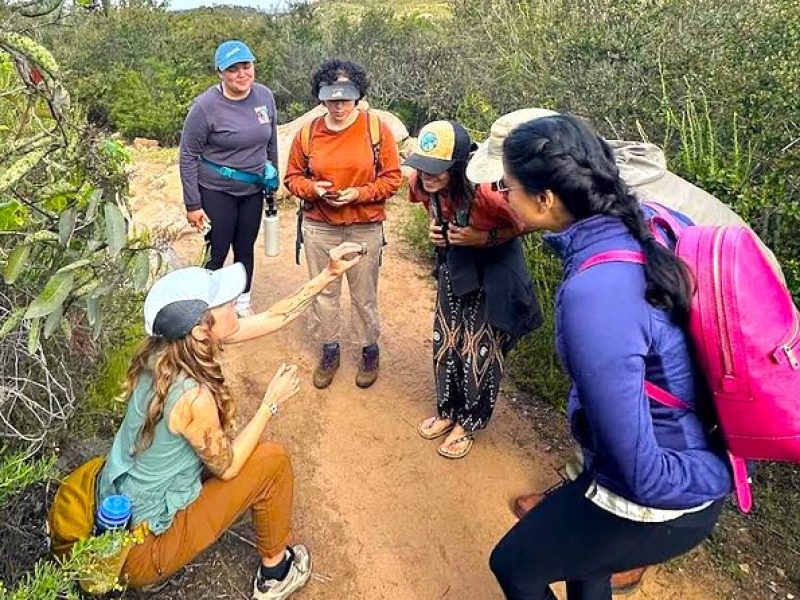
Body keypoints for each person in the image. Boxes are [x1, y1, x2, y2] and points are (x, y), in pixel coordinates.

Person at [467, 106, 780, 594]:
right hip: (695, 452)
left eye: (507, 187)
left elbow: (641, 473)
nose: (502, 196)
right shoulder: (650, 222)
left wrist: (713, 472)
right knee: (585, 561)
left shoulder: (597, 292)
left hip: (666, 493)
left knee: (515, 564)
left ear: (547, 198)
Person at [97, 242, 364, 599]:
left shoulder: (163, 354)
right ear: (200, 328)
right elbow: (228, 467)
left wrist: (327, 274)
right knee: (272, 462)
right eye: (225, 303)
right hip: (142, 551)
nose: (236, 303)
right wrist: (270, 403)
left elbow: (275, 317)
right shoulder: (193, 397)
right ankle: (276, 573)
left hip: (122, 518)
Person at [405, 120, 541, 459]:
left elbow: (532, 222)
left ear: (460, 166)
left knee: (480, 347)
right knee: (447, 338)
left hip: (496, 267)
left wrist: (487, 237)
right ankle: (448, 409)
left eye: (437, 169)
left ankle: (469, 421)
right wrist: (435, 228)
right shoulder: (420, 183)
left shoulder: (490, 192)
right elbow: (429, 206)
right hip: (457, 264)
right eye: (422, 166)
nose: (426, 175)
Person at [284, 58, 402, 389]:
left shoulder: (376, 129)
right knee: (324, 291)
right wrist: (313, 189)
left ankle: (369, 349)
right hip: (320, 225)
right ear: (321, 97)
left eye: (345, 97)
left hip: (364, 225)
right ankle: (330, 349)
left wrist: (360, 194)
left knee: (364, 294)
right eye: (331, 98)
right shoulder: (308, 133)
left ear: (358, 95)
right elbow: (292, 177)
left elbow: (393, 178)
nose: (338, 105)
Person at [179, 40, 278, 317]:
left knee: (245, 247)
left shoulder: (265, 97)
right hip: (215, 189)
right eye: (233, 69)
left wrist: (273, 178)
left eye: (246, 66)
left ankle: (242, 302)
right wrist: (192, 204)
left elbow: (270, 142)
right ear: (220, 72)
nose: (241, 74)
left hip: (253, 188)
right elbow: (188, 154)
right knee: (218, 247)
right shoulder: (205, 106)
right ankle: (205, 307)